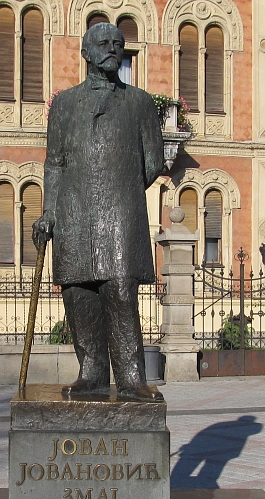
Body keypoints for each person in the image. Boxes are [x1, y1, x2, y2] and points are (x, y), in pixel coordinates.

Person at [32, 22, 165, 401]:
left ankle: (131, 379)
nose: (112, 49)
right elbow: (54, 163)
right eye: (103, 43)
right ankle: (91, 374)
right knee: (78, 294)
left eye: (118, 44)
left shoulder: (139, 103)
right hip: (73, 212)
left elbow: (153, 162)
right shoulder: (64, 104)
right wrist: (49, 211)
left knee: (120, 292)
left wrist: (117, 185)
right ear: (86, 53)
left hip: (119, 211)